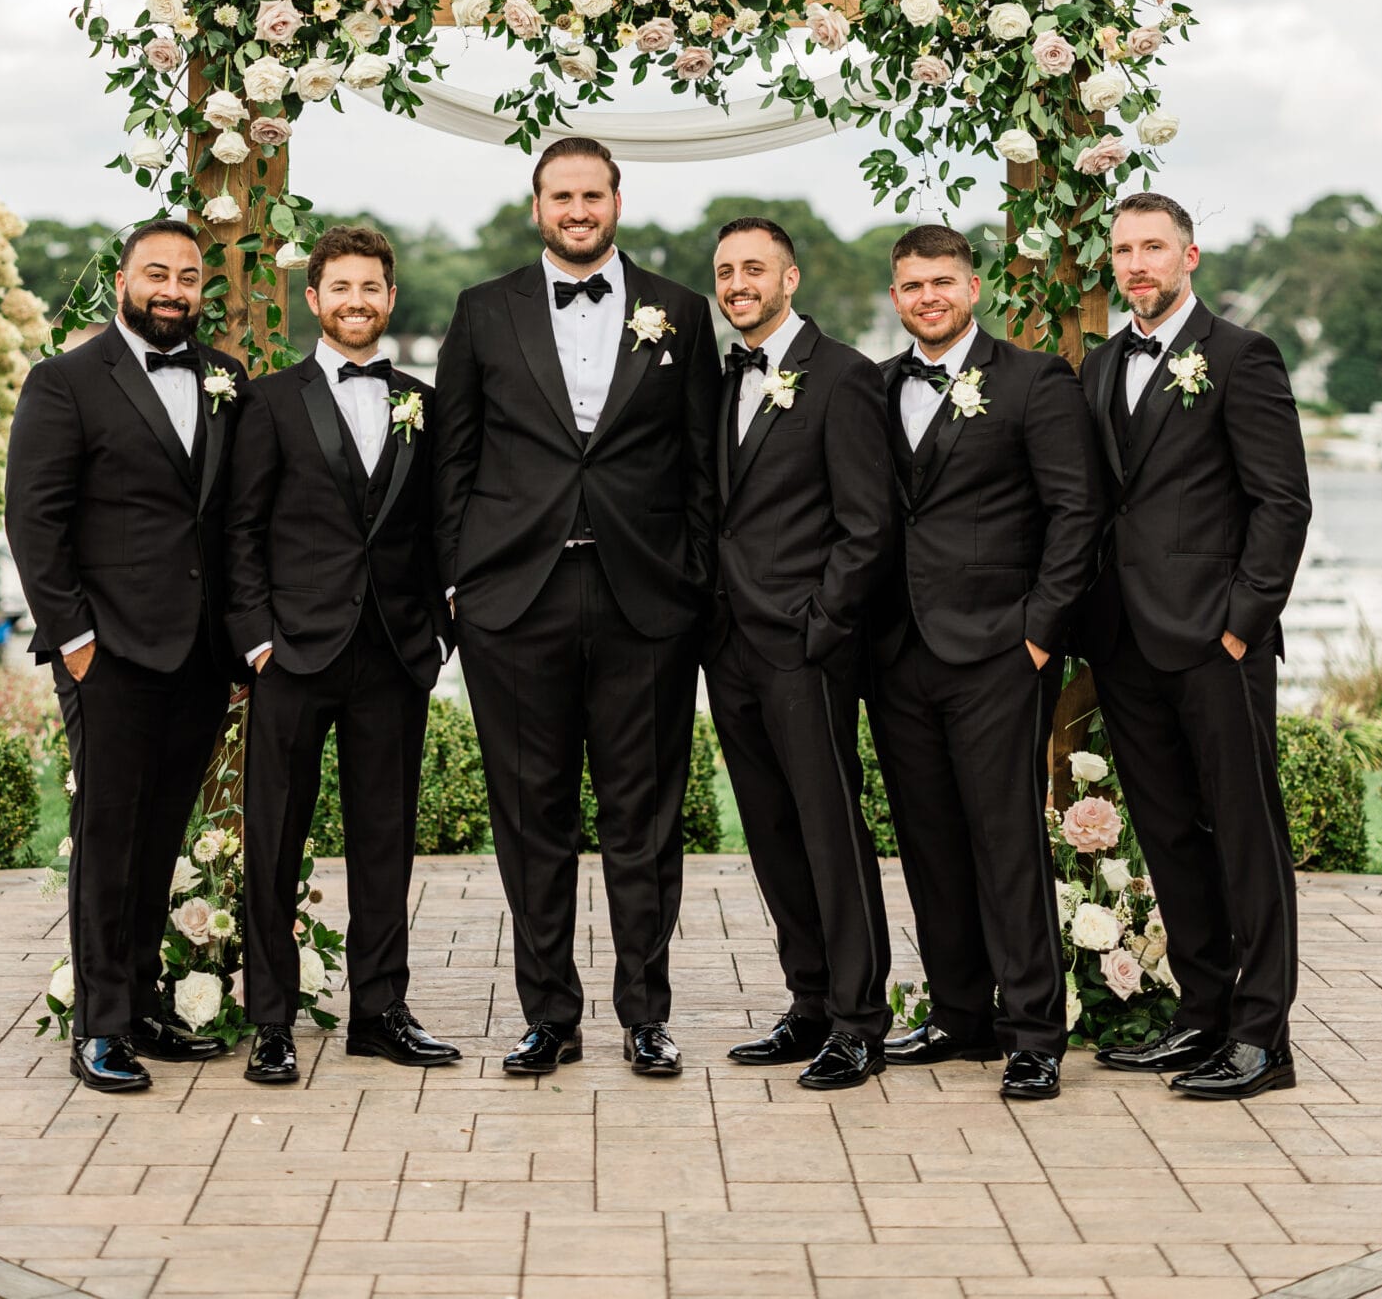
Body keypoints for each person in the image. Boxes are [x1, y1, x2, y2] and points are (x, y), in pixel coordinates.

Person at [433, 135, 719, 1078]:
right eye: (561, 196)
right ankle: (547, 1015)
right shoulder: (482, 312)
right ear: (537, 206)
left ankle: (646, 1014)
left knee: (644, 817)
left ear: (617, 201)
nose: (578, 211)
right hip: (516, 603)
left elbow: (700, 465)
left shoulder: (679, 312)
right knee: (531, 817)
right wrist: (459, 586)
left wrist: (693, 582)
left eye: (592, 195)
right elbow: (455, 463)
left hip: (645, 602)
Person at [1076, 191, 1312, 1101]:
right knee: (1169, 833)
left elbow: (1280, 502)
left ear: (1189, 257)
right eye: (1124, 251)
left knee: (1246, 836)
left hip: (1216, 641)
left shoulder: (1241, 356)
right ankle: (1202, 1015)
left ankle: (1262, 1038)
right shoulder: (1099, 366)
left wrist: (1240, 625)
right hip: (1125, 642)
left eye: (1152, 249)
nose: (1136, 264)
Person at [6, 219, 246, 1095]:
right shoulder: (65, 381)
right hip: (105, 651)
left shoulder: (225, 378)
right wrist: (74, 642)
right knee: (107, 838)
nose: (173, 289)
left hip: (199, 651)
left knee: (158, 838)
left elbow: (227, 519)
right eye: (156, 273)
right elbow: (34, 521)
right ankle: (99, 1026)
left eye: (187, 275)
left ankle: (144, 1006)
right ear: (122, 279)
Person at [868, 224, 1105, 1103]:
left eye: (941, 281)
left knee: (1005, 839)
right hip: (898, 654)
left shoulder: (1032, 380)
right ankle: (959, 1012)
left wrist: (1038, 631)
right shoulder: (879, 384)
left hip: (1000, 650)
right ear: (894, 298)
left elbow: (1074, 512)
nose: (926, 297)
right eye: (910, 286)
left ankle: (1034, 1028)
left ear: (972, 289)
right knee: (928, 839)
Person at [226, 224, 458, 1087]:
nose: (357, 302)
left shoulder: (422, 403)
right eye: (341, 288)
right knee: (274, 842)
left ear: (389, 299)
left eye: (372, 288)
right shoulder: (269, 401)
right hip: (291, 654)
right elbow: (239, 530)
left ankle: (380, 1013)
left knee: (384, 841)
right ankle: (272, 1021)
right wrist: (254, 639)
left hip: (394, 655)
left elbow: (440, 528)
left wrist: (440, 630)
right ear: (314, 300)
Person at [704, 217, 895, 1090]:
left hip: (805, 646)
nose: (737, 282)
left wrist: (822, 625)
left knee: (828, 829)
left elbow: (867, 524)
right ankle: (808, 1001)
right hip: (729, 645)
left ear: (790, 280)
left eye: (754, 269)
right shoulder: (720, 377)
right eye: (725, 271)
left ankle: (860, 1020)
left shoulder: (844, 376)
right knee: (772, 834)